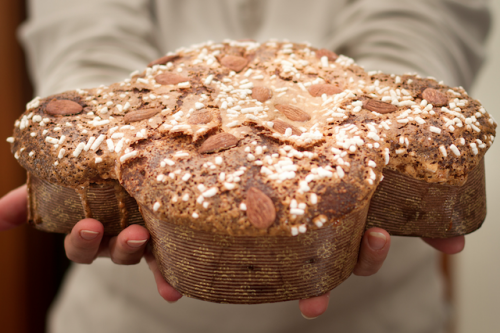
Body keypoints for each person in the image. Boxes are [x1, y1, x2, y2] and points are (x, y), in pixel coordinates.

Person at [3, 0, 488, 332]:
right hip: (129, 315)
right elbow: (85, 27)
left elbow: (421, 15)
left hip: (381, 311)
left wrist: (363, 124)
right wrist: (109, 136)